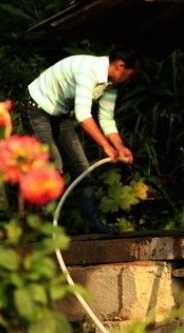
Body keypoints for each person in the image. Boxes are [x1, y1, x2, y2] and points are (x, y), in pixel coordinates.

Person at [22, 46, 141, 233]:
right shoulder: (88, 71)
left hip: (60, 115)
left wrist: (118, 146)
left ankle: (93, 224)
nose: (129, 80)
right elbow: (83, 115)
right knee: (54, 167)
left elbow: (106, 119)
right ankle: (39, 229)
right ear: (120, 66)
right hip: (36, 108)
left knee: (82, 169)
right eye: (130, 75)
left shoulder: (111, 84)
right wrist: (105, 146)